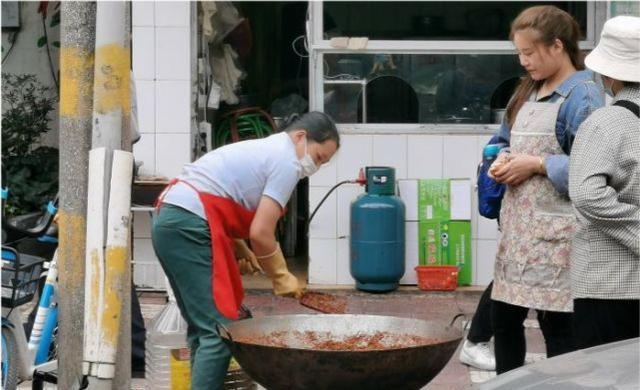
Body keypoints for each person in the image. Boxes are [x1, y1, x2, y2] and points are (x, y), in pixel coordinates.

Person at [151, 111, 340, 389]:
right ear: (301, 137)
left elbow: (222, 192)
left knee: (202, 327)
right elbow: (261, 233)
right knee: (220, 331)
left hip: (172, 220)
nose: (317, 166)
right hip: (188, 224)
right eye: (319, 157)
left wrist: (239, 248)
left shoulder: (266, 150)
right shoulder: (286, 161)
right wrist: (280, 275)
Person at [488, 6, 604, 374]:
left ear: (557, 47)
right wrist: (499, 159)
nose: (523, 62)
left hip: (558, 239)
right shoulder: (529, 90)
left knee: (558, 330)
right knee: (504, 322)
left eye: (529, 53)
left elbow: (593, 169)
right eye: (519, 54)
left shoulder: (583, 95)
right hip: (519, 233)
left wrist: (537, 165)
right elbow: (502, 140)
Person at [568, 16, 640, 350]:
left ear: (608, 74)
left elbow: (586, 193)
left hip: (608, 284)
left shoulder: (606, 122)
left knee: (604, 377)